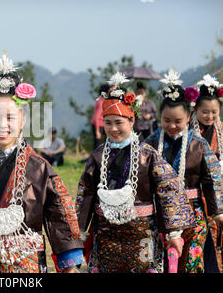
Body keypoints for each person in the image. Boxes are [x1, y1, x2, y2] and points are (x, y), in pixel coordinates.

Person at [0, 52, 84, 273]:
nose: (2, 124)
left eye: (10, 117)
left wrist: (69, 266)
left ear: (23, 119)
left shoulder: (40, 168)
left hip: (27, 268)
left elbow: (60, 216)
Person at [75, 71, 196, 273]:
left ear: (132, 121)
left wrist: (174, 234)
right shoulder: (97, 157)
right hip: (105, 238)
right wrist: (79, 232)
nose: (113, 128)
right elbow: (85, 193)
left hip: (143, 238)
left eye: (119, 122)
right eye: (108, 122)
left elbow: (169, 190)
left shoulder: (148, 155)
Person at [144, 69, 223, 273]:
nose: (172, 126)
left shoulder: (199, 145)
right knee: (160, 264)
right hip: (159, 215)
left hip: (193, 216)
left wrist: (217, 212)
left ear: (189, 116)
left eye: (178, 121)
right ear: (159, 117)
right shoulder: (150, 144)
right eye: (166, 120)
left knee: (191, 265)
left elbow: (212, 180)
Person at [186, 74, 223, 272]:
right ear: (195, 109)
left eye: (214, 112)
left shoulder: (221, 131)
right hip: (195, 195)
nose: (209, 116)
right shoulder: (187, 133)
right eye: (204, 112)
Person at [90, 84, 111, 150]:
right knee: (97, 144)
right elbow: (97, 116)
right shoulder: (101, 102)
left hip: (101, 124)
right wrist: (97, 131)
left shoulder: (101, 100)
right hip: (98, 125)